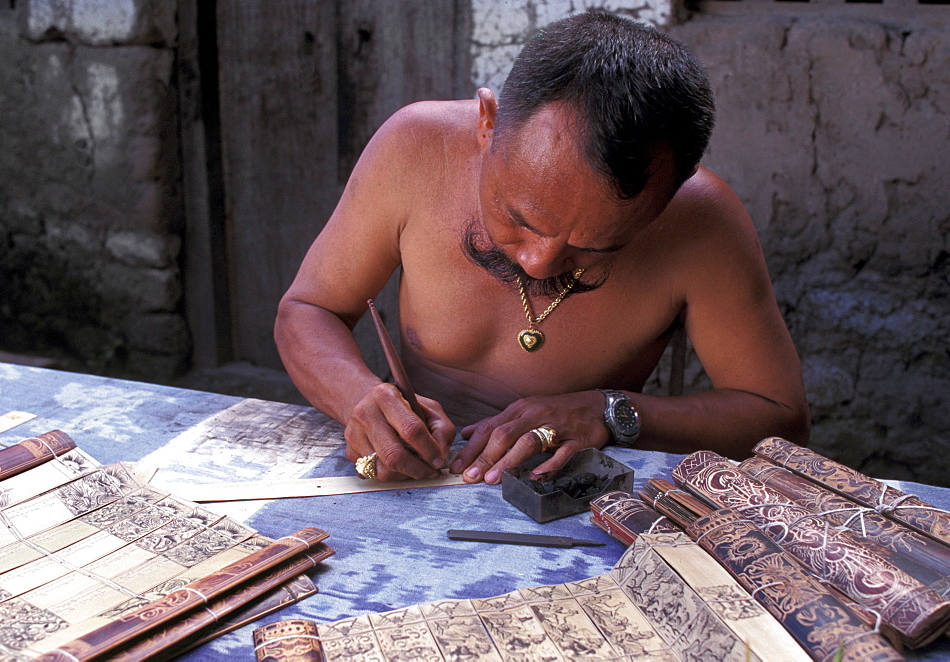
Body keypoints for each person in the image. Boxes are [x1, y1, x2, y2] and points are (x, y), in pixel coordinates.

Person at [274, 11, 810, 484]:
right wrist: (359, 400)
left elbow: (778, 419)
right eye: (519, 218)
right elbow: (309, 308)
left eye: (595, 248)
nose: (537, 261)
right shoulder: (417, 149)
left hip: (574, 500)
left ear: (669, 195)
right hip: (405, 480)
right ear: (487, 124)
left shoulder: (703, 221)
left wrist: (609, 412)